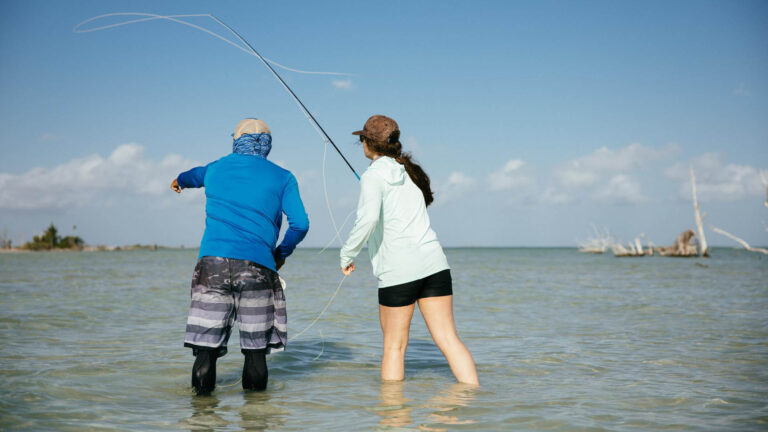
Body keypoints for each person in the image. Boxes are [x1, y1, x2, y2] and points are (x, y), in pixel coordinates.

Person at [171, 118, 309, 395]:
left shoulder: (215, 169)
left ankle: (201, 418)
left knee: (205, 351)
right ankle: (256, 420)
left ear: (236, 141)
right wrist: (281, 254)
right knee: (255, 352)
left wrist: (178, 181)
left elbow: (190, 175)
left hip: (212, 265)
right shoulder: (284, 177)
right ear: (267, 145)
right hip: (258, 267)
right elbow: (300, 224)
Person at [340, 115, 479, 385]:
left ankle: (394, 421)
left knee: (394, 347)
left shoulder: (373, 175)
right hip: (435, 265)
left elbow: (367, 220)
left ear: (368, 143)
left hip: (399, 270)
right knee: (449, 340)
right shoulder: (409, 171)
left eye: (362, 139)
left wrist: (347, 255)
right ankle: (472, 404)